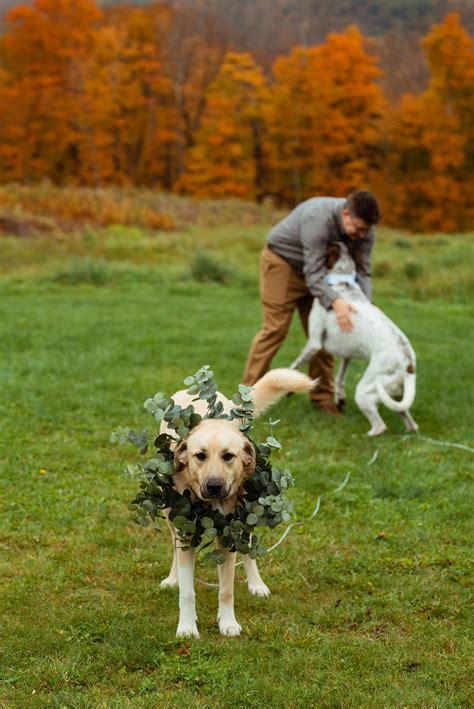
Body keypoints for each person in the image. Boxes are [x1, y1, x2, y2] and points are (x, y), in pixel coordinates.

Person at [242, 190, 381, 414]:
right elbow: (313, 272)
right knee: (275, 329)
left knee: (325, 334)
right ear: (346, 214)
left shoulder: (365, 233)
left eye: (366, 230)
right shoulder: (319, 218)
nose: (362, 234)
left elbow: (363, 271)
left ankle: (323, 397)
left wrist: (365, 306)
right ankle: (246, 398)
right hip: (283, 263)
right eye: (358, 228)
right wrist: (335, 301)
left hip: (317, 274)